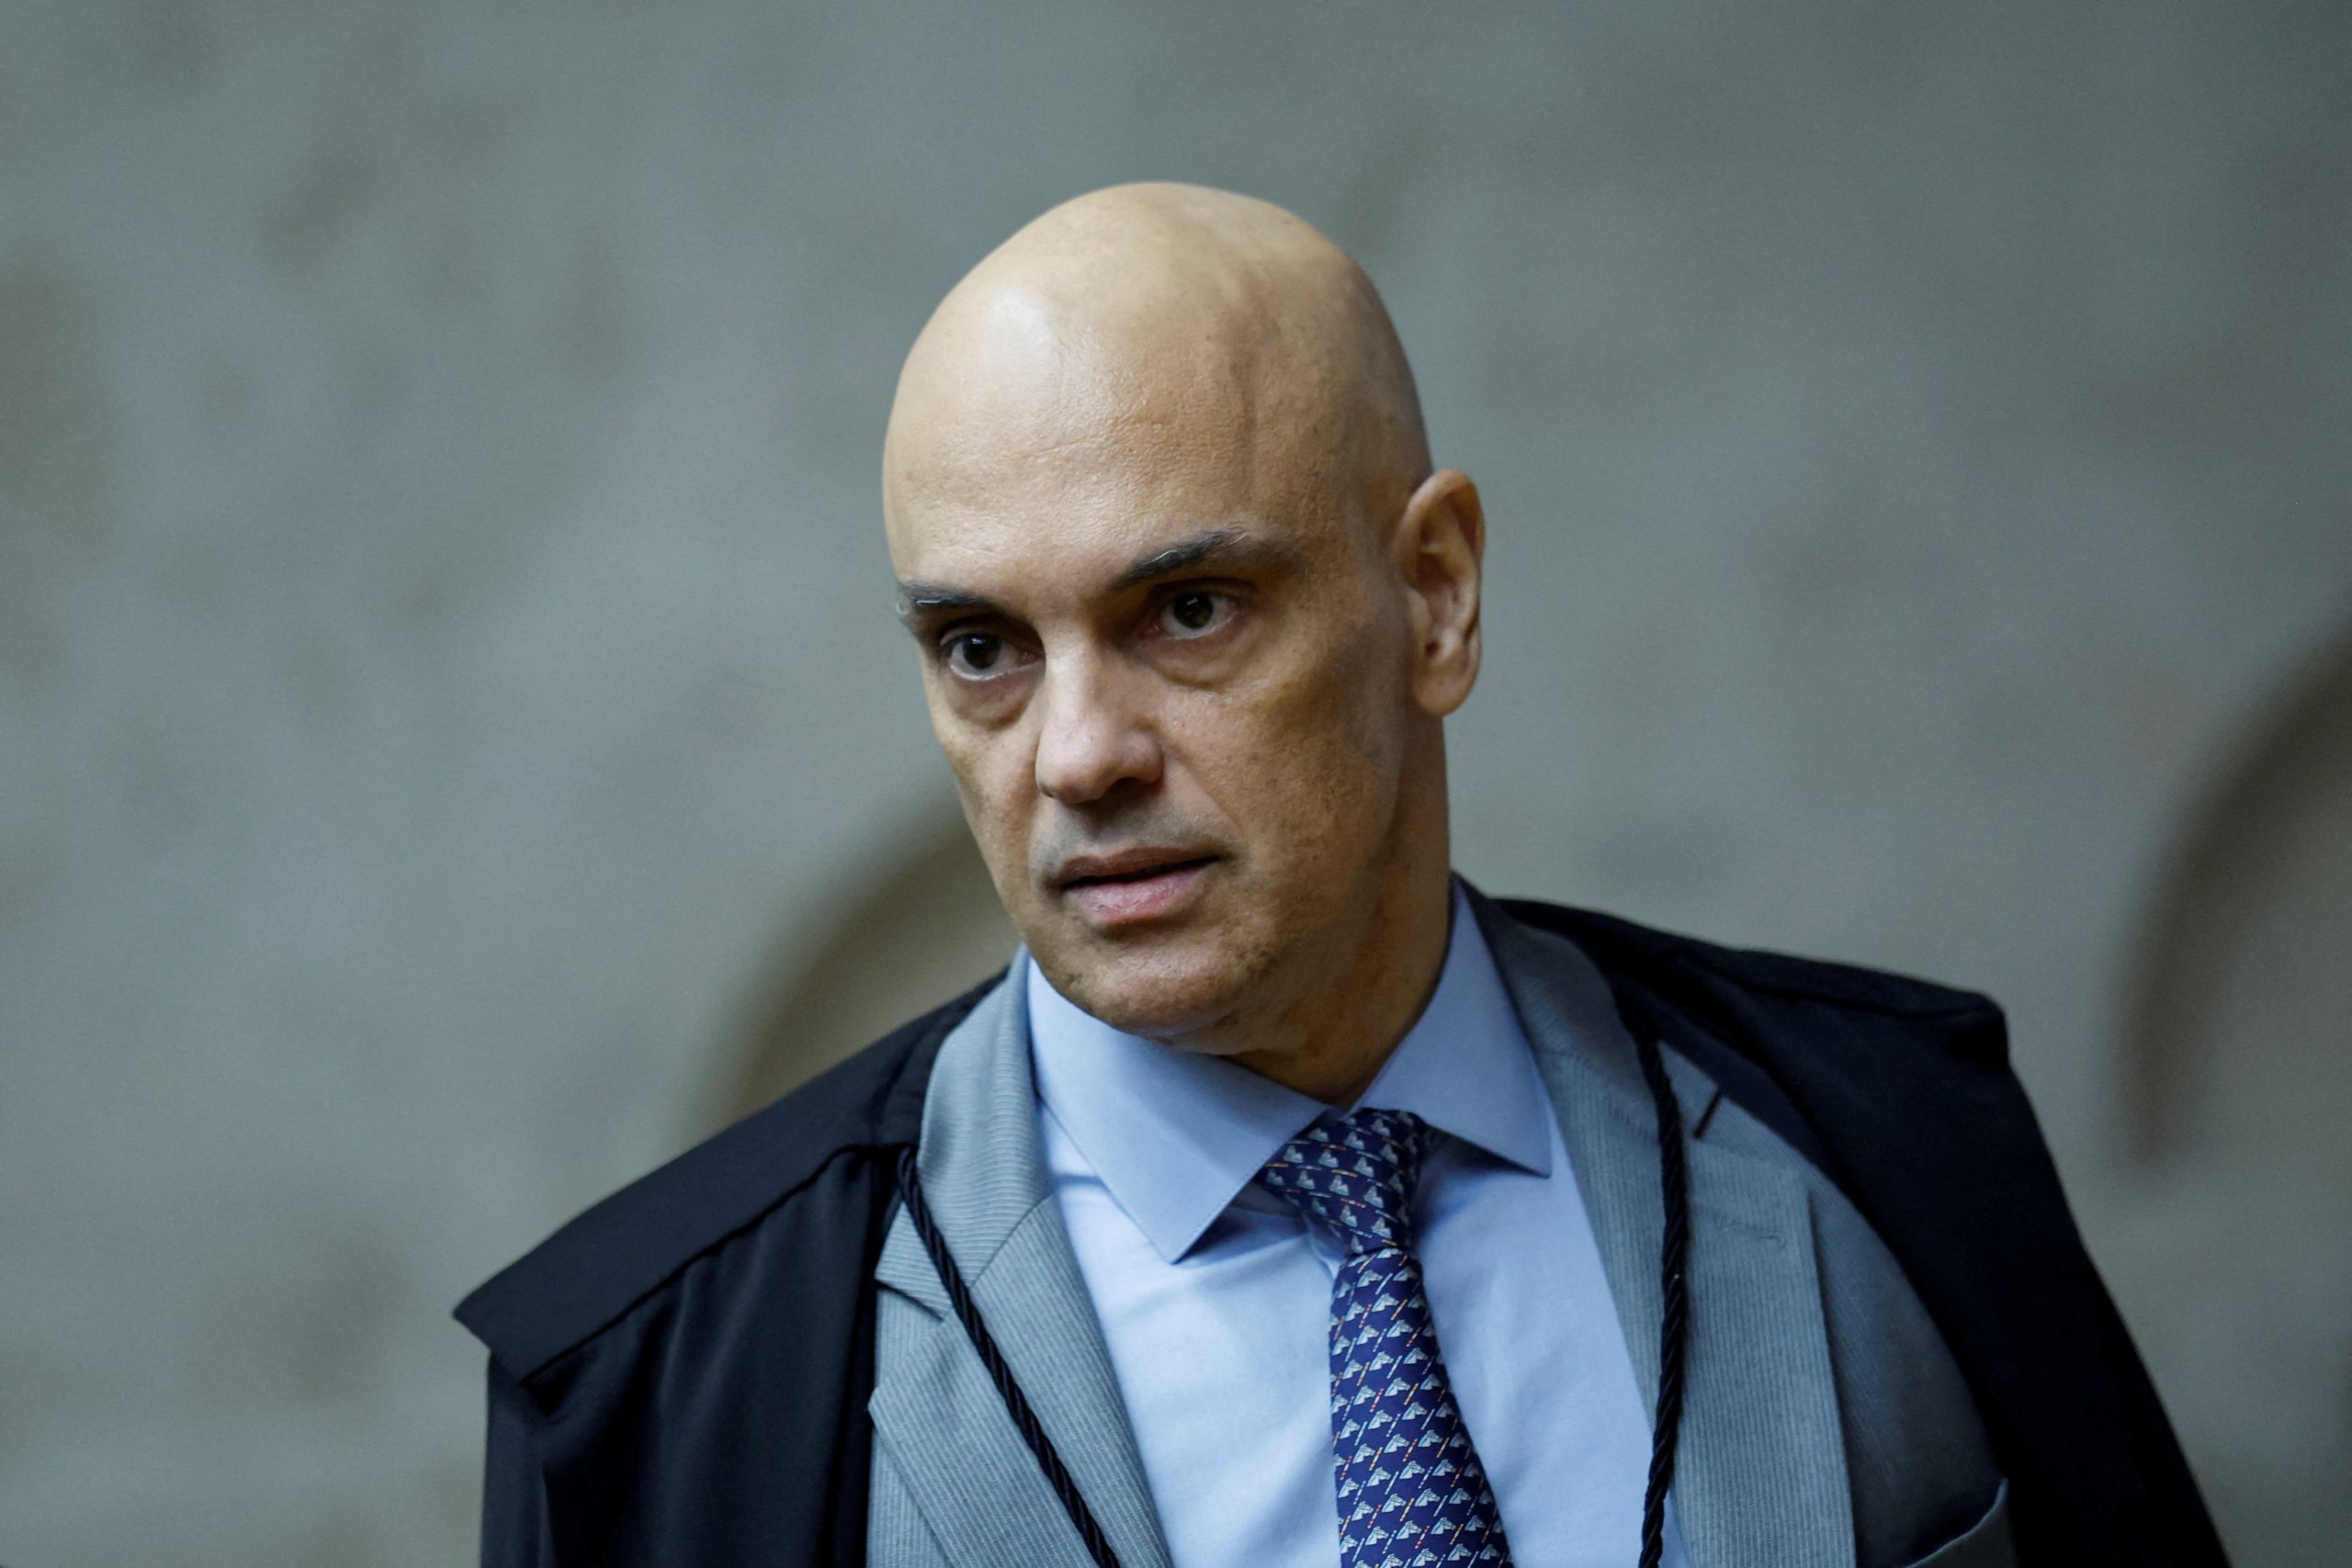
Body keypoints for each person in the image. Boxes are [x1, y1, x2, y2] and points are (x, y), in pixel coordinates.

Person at [455, 184, 2224, 1568]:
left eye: (1189, 611)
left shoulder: (1893, 1145)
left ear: (1435, 596)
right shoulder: (655, 1379)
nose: (1077, 755)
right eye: (982, 648)